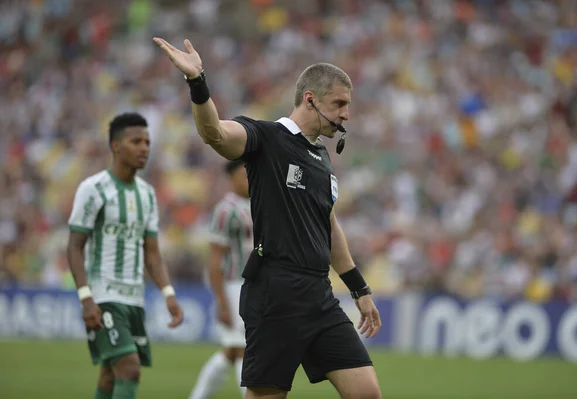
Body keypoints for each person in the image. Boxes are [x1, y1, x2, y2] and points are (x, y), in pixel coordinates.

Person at [154, 37, 382, 399]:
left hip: (318, 294)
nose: (346, 114)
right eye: (339, 104)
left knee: (367, 393)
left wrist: (359, 289)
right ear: (310, 98)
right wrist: (197, 81)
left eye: (347, 105)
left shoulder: (323, 160)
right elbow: (213, 132)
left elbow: (330, 227)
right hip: (275, 292)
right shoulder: (267, 137)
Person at [66, 112, 184, 399]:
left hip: (134, 298)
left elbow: (152, 253)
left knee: (110, 374)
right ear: (116, 146)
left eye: (147, 141)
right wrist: (86, 298)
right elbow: (74, 246)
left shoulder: (147, 194)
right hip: (104, 296)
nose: (144, 148)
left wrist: (168, 293)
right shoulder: (93, 189)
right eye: (135, 141)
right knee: (129, 368)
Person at [190, 160, 252, 399]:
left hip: (257, 286)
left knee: (230, 352)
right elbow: (215, 258)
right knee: (243, 351)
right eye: (243, 174)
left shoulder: (261, 202)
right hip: (234, 286)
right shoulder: (226, 210)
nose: (249, 178)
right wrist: (222, 301)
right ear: (232, 178)